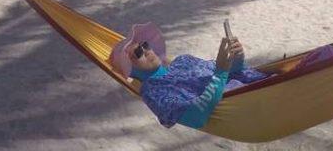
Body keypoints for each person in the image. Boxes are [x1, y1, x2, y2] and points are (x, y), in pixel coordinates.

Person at [110, 23, 270, 129]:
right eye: (138, 53)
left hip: (264, 82)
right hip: (254, 105)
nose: (146, 51)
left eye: (144, 45)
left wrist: (236, 58)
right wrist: (220, 72)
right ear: (129, 68)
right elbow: (195, 116)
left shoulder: (183, 60)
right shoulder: (153, 92)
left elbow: (231, 72)